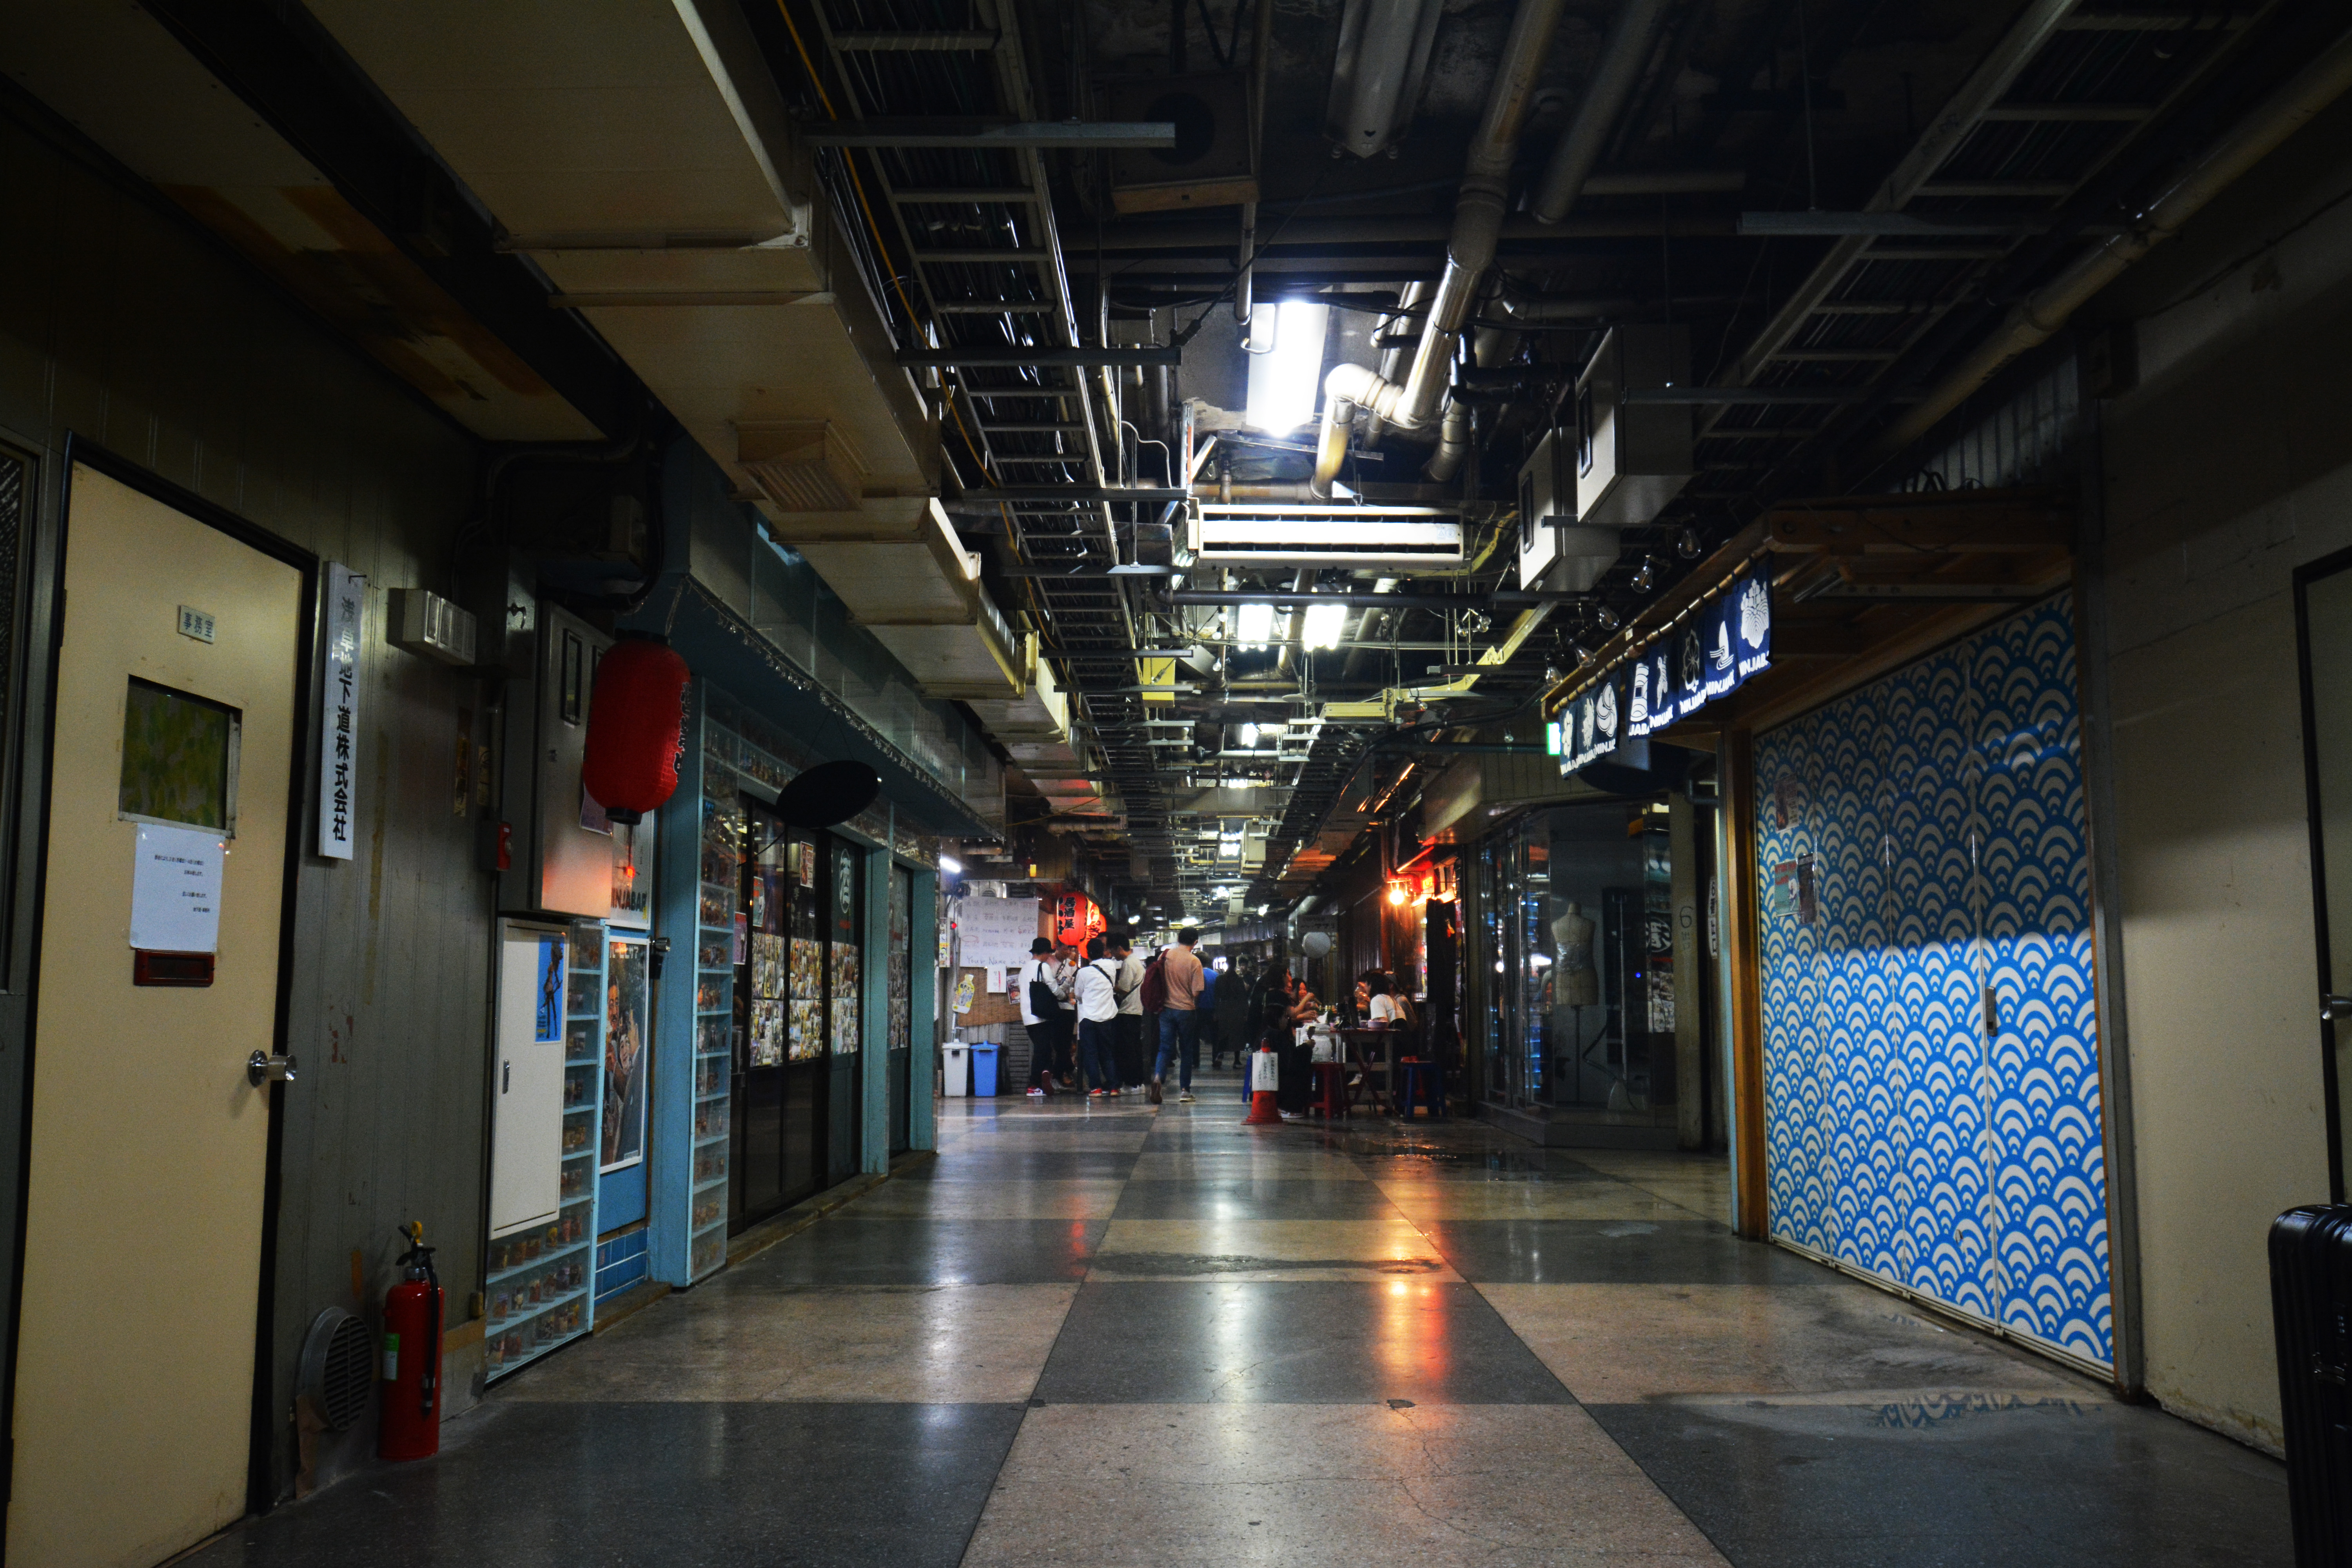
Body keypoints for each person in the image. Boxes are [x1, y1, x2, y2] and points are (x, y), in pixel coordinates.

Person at [1152, 927, 1206, 1104]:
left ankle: (1158, 1078)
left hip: (1166, 1010)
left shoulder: (1165, 956)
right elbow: (1197, 992)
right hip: (1186, 1011)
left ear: (1178, 939)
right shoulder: (1194, 961)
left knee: (1164, 1048)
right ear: (1195, 942)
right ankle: (1185, 1091)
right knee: (1186, 1051)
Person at [1071, 935, 1122, 1098]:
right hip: (1108, 1017)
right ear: (1104, 951)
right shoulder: (1111, 966)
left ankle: (1096, 1088)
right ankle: (1114, 1087)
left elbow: (1078, 994)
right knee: (1108, 1053)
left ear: (1088, 954)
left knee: (1091, 1054)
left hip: (1088, 1018)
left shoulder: (1083, 973)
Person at [1020, 937, 1071, 1096]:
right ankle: (1034, 1085)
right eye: (1049, 953)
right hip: (1040, 1016)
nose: (1049, 956)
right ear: (1045, 953)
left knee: (1044, 1049)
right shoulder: (1043, 967)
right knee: (1042, 1051)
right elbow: (1054, 988)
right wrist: (1065, 996)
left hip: (1027, 1016)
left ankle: (1045, 1076)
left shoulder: (1024, 969)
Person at [1111, 933, 1149, 1088]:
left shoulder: (1128, 963)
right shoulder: (1136, 961)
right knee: (1135, 1047)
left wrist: (1109, 984)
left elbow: (1124, 989)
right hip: (1137, 1009)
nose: (1113, 955)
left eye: (1113, 951)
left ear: (1120, 948)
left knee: (1128, 1048)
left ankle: (1132, 1081)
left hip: (1128, 1011)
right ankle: (1137, 1080)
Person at [1212, 955, 1252, 1069]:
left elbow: (1216, 997)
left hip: (1223, 1008)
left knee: (1223, 1034)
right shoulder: (1239, 980)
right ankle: (1237, 1060)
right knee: (1237, 1035)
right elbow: (1243, 998)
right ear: (1236, 965)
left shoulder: (1220, 979)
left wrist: (1216, 1012)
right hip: (1237, 1009)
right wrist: (1246, 1013)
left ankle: (1220, 1054)